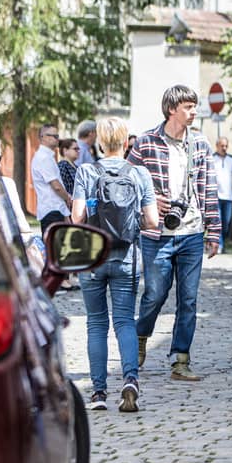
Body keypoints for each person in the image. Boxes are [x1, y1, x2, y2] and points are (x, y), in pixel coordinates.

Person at [129, 85, 221, 382]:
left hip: (191, 232)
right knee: (155, 294)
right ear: (172, 109)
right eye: (188, 107)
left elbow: (209, 188)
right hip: (156, 233)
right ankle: (140, 336)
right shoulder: (145, 142)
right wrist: (148, 201)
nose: (194, 112)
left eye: (195, 106)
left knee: (188, 299)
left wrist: (213, 231)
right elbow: (126, 183)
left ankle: (180, 360)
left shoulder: (200, 144)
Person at [71, 117, 159, 412]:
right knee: (124, 321)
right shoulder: (139, 173)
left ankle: (98, 393)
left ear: (99, 142)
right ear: (125, 143)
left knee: (96, 323)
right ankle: (130, 380)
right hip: (126, 257)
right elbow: (152, 221)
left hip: (92, 258)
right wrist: (130, 223)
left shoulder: (86, 171)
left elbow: (77, 218)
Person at [31, 124, 72, 235]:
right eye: (55, 136)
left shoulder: (47, 157)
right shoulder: (43, 158)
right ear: (43, 137)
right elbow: (56, 186)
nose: (57, 139)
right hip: (52, 211)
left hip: (55, 210)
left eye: (57, 136)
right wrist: (68, 198)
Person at [211, 136, 232, 253]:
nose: (224, 148)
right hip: (215, 196)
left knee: (226, 223)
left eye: (226, 146)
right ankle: (219, 245)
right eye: (222, 146)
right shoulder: (211, 158)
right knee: (219, 221)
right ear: (217, 146)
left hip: (229, 196)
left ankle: (223, 243)